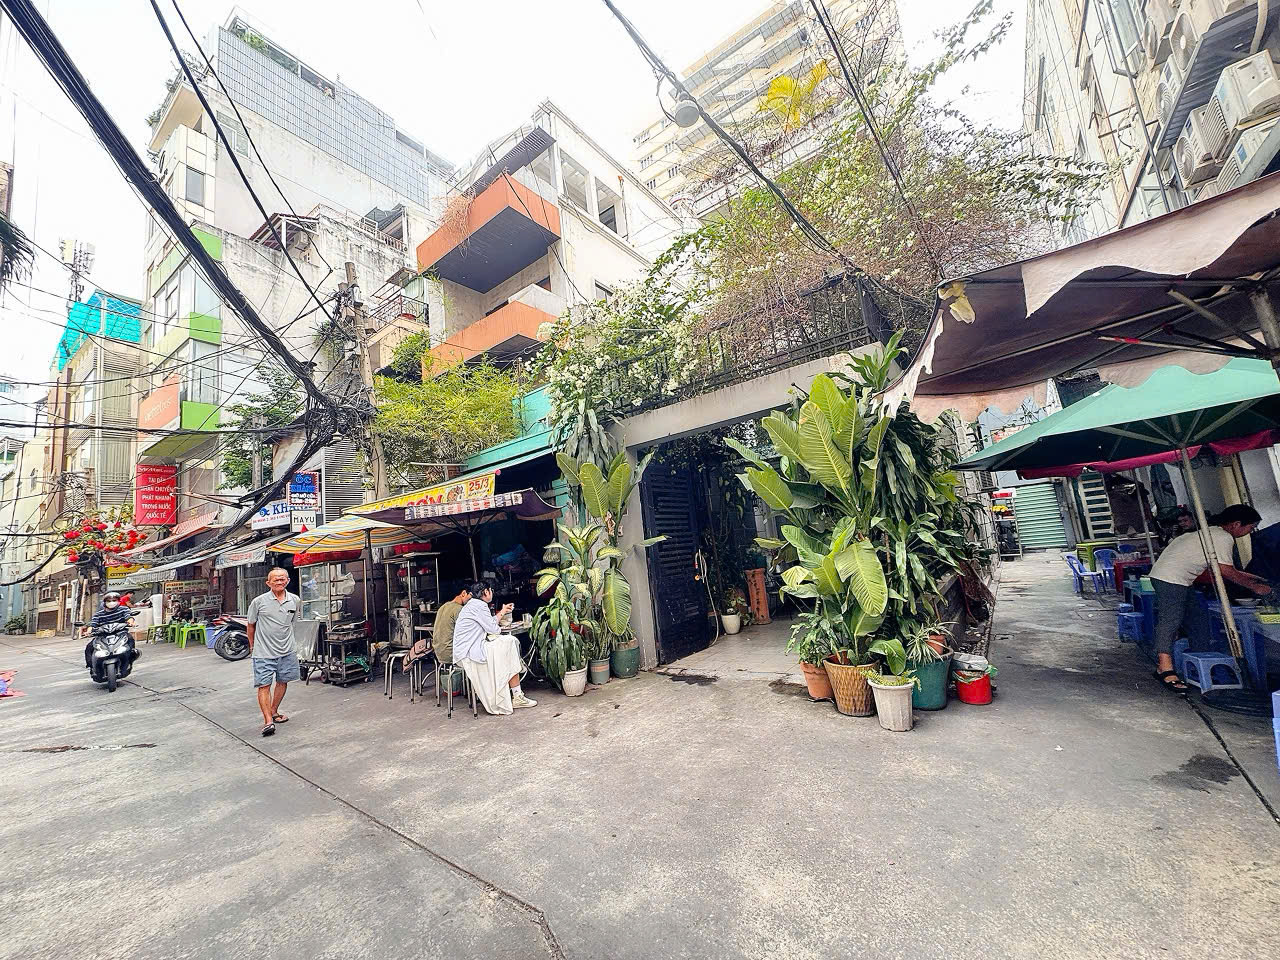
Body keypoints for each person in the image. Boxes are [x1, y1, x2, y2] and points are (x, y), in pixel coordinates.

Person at [1148, 504, 1270, 692]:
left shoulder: (1212, 533)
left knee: (1198, 619)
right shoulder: (1223, 537)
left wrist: (1256, 578)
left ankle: (1201, 660)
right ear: (1236, 524)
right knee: (1171, 620)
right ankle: (1165, 668)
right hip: (1171, 578)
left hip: (1177, 578)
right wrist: (1255, 587)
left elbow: (1224, 568)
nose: (1250, 532)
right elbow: (1225, 571)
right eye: (1250, 527)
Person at [452, 579, 536, 714]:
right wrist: (501, 615)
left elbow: (490, 623)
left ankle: (517, 694)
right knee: (509, 643)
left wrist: (502, 611)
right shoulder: (480, 605)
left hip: (468, 649)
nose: (492, 593)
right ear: (486, 592)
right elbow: (494, 629)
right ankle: (517, 694)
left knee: (507, 644)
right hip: (470, 652)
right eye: (491, 590)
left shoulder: (472, 605)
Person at [246, 568, 300, 737]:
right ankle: (268, 721)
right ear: (268, 583)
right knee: (264, 685)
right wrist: (252, 646)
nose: (279, 582)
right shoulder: (258, 602)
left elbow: (292, 623)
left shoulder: (295, 600)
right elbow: (251, 625)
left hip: (287, 650)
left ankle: (274, 711)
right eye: (275, 579)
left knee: (283, 681)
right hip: (263, 652)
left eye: (282, 579)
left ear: (288, 581)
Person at [406, 585, 469, 671]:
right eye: (471, 596)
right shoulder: (459, 609)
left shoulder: (443, 607)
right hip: (451, 654)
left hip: (439, 653)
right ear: (464, 593)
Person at [82, 591, 136, 668]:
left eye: (114, 600)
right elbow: (93, 624)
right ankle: (91, 667)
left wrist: (131, 622)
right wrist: (88, 631)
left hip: (120, 634)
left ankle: (130, 660)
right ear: (105, 602)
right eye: (109, 601)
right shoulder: (99, 614)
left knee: (130, 639)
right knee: (89, 647)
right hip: (103, 636)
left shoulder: (124, 609)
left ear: (118, 601)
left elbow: (128, 617)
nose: (111, 602)